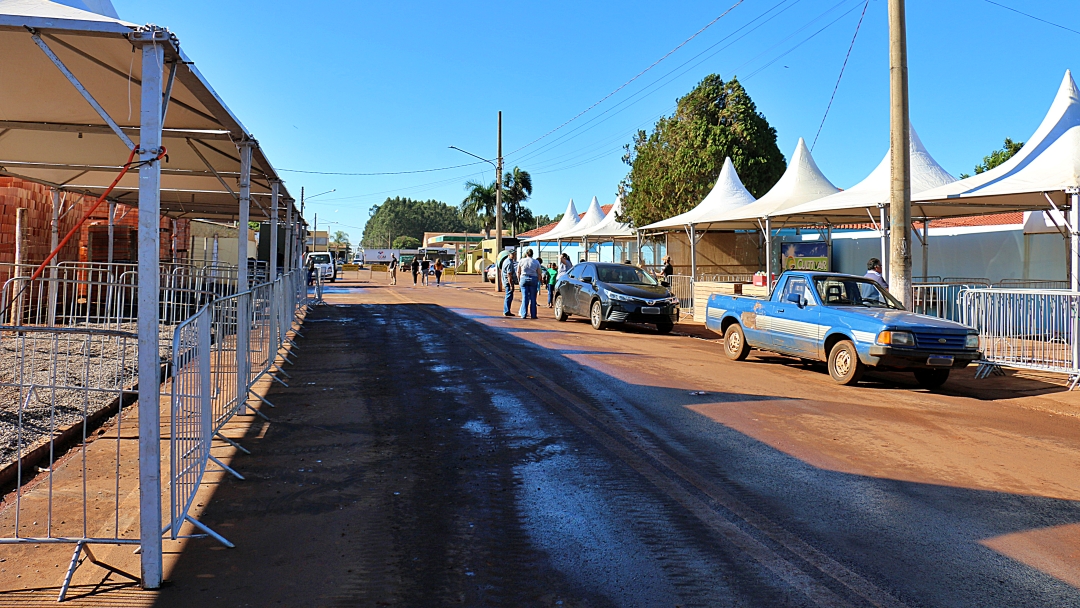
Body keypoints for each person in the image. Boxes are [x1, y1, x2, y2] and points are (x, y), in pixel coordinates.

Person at [517, 248, 543, 319]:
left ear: (526, 254)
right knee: (533, 298)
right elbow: (539, 273)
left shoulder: (522, 261)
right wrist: (538, 280)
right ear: (532, 254)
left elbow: (518, 272)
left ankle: (523, 314)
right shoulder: (536, 262)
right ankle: (533, 315)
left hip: (524, 278)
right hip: (533, 278)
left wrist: (519, 280)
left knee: (525, 297)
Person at [501, 250, 517, 317]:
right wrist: (511, 285)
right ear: (509, 254)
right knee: (509, 296)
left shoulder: (507, 261)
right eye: (512, 254)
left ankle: (507, 310)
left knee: (508, 296)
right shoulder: (509, 262)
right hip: (508, 282)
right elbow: (509, 274)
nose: (514, 255)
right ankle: (506, 311)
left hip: (506, 281)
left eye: (514, 254)